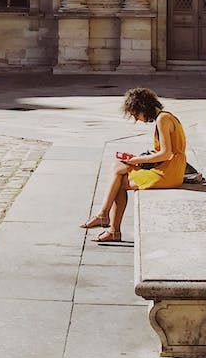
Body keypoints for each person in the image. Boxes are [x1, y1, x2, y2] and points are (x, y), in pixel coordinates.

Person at [80, 87, 187, 243]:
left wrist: (138, 160)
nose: (136, 119)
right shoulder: (166, 117)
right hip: (171, 168)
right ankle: (105, 219)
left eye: (135, 114)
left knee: (119, 184)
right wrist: (137, 159)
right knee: (117, 167)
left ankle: (110, 225)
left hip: (168, 173)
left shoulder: (162, 120)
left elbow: (166, 153)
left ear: (143, 108)